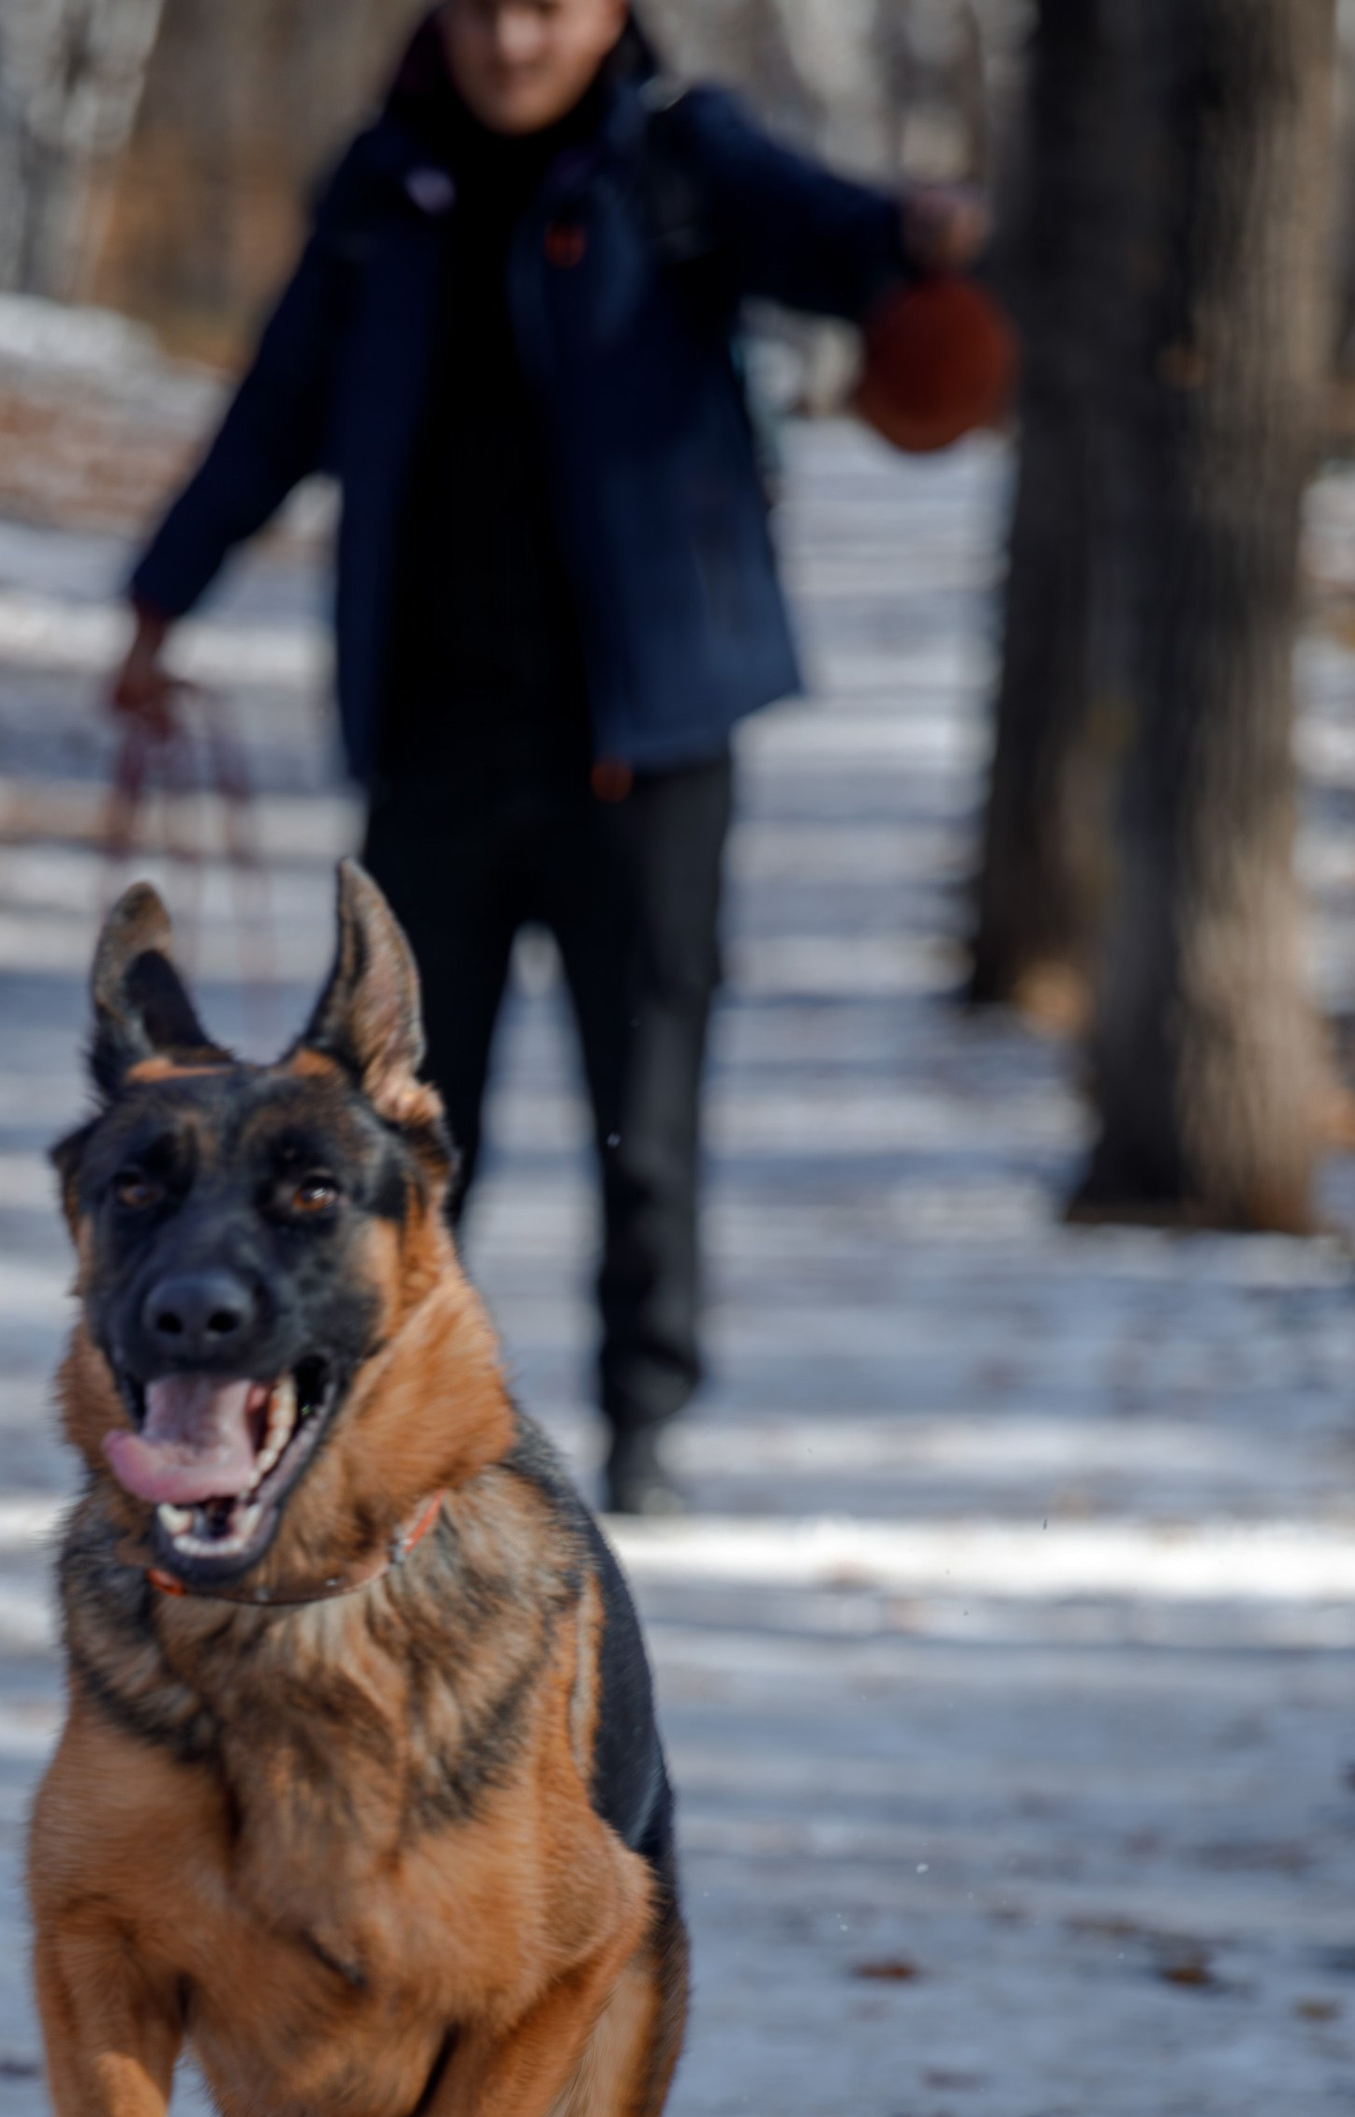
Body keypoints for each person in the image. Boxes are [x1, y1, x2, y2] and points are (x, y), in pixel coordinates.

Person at [112, 0, 988, 1517]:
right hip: (437, 746)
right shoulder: (384, 188)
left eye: (551, 9)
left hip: (642, 756)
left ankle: (647, 1426)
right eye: (487, 8)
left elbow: (839, 242)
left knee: (646, 1106)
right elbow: (278, 408)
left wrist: (916, 234)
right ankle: (389, 1408)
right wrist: (159, 598)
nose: (515, 41)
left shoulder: (678, 159)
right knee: (407, 1118)